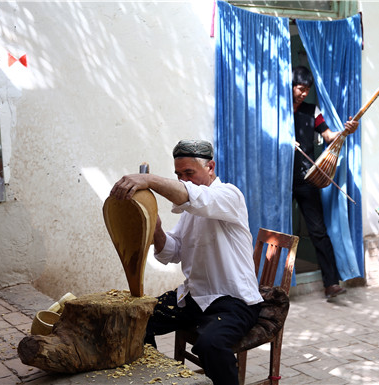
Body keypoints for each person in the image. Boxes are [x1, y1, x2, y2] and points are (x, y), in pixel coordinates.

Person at [109, 139, 262, 385]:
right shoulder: (190, 211)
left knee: (210, 345)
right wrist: (156, 229)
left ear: (210, 167)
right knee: (137, 320)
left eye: (189, 173)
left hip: (234, 301)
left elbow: (196, 198)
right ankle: (153, 377)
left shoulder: (229, 195)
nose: (183, 180)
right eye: (179, 175)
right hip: (195, 298)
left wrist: (148, 180)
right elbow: (173, 252)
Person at [292, 66, 359, 299]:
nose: (304, 93)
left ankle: (331, 283)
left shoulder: (312, 110)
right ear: (291, 86)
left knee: (318, 230)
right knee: (277, 230)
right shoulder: (276, 109)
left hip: (306, 178)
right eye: (300, 88)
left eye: (307, 89)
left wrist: (345, 132)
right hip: (279, 179)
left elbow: (329, 136)